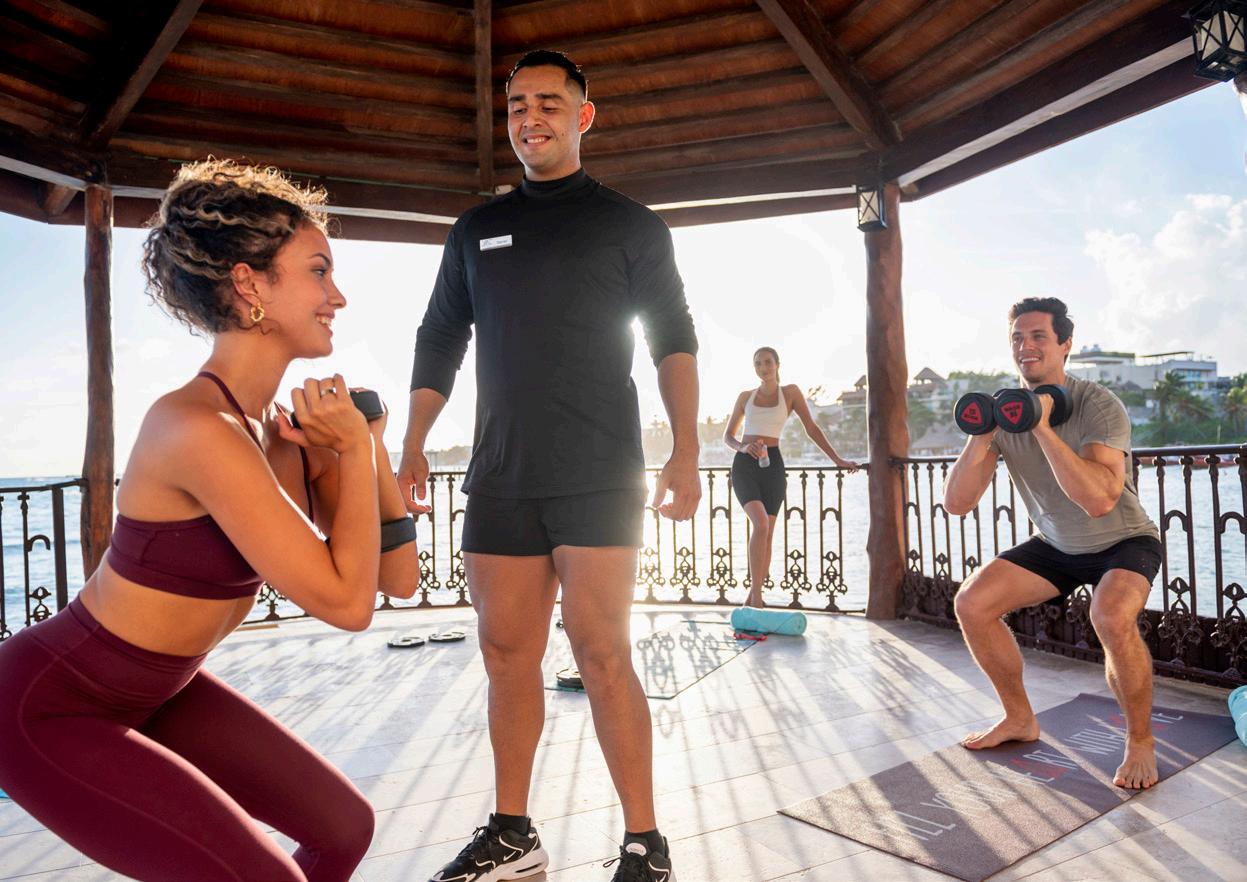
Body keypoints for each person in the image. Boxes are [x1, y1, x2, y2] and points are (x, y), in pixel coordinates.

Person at [0, 159, 420, 881]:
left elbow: (399, 579)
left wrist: (367, 449)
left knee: (343, 829)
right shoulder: (195, 428)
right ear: (250, 284)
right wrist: (350, 448)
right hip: (49, 706)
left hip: (165, 689)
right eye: (319, 271)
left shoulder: (281, 436)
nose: (338, 296)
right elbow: (348, 606)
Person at [400, 49, 699, 882]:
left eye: (548, 103)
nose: (529, 118)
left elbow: (672, 338)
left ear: (582, 115)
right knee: (505, 654)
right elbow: (439, 335)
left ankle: (645, 844)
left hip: (600, 471)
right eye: (516, 105)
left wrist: (685, 449)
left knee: (601, 653)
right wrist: (413, 441)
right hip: (500, 474)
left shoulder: (630, 225)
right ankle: (512, 834)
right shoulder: (475, 229)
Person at [943, 297, 1162, 789]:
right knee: (972, 603)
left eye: (1039, 336)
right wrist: (981, 434)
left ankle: (1141, 742)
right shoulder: (1005, 413)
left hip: (1123, 540)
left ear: (1065, 344)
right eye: (1018, 338)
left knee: (1110, 616)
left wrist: (1040, 426)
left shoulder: (1097, 404)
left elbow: (1100, 501)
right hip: (1057, 544)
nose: (1026, 346)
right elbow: (957, 503)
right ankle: (1019, 718)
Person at [723, 347, 858, 607]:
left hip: (772, 465)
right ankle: (757, 598)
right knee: (761, 524)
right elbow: (728, 436)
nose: (763, 367)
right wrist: (743, 447)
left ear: (777, 364)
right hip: (745, 465)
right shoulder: (745, 397)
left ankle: (753, 598)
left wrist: (837, 460)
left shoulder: (791, 393)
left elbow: (812, 429)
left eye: (768, 362)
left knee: (768, 533)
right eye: (758, 363)